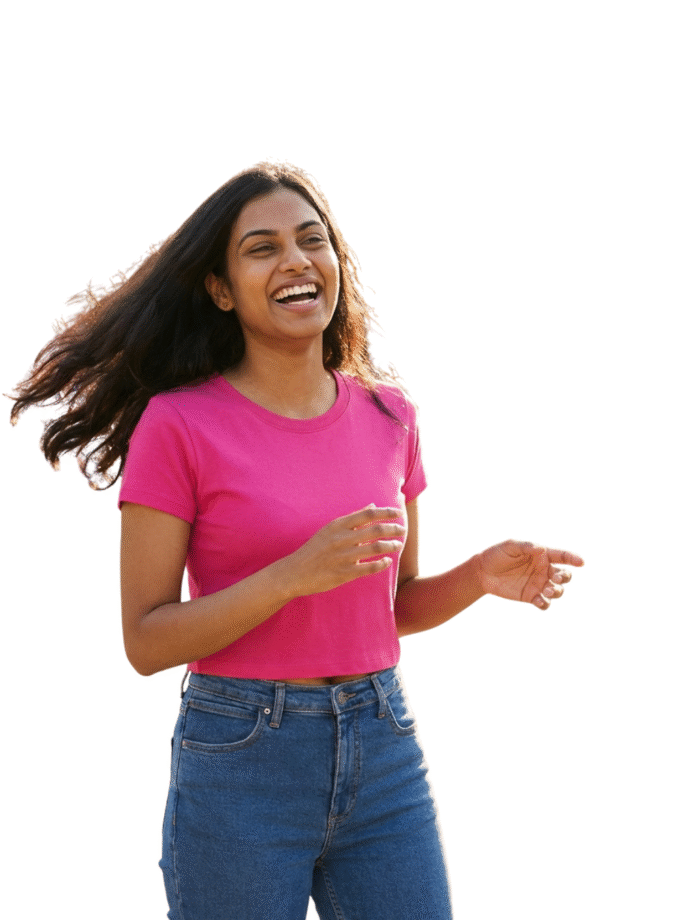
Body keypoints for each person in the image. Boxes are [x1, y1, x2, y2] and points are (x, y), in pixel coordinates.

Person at [10, 162, 584, 920]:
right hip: (241, 758)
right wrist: (290, 576)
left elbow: (393, 608)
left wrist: (477, 577)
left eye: (312, 240)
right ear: (221, 289)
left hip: (382, 748)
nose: (295, 260)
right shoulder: (179, 425)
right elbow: (145, 640)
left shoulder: (390, 416)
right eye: (261, 248)